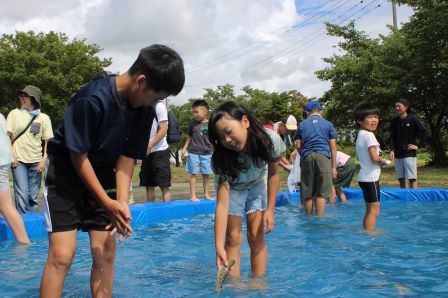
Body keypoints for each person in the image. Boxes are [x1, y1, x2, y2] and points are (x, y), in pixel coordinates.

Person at [39, 44, 185, 297]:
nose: (155, 103)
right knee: (63, 255)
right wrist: (107, 202)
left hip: (105, 171)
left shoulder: (143, 109)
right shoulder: (91, 100)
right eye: (156, 97)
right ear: (141, 81)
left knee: (105, 251)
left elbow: (127, 157)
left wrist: (120, 202)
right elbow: (78, 156)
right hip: (65, 174)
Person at [208, 102, 284, 278]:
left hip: (257, 183)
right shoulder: (222, 158)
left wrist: (270, 210)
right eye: (221, 137)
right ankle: (235, 289)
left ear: (245, 121)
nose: (226, 140)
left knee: (255, 236)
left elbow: (274, 173)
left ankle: (258, 284)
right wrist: (219, 246)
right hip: (234, 188)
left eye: (228, 131)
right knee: (233, 238)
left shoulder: (270, 140)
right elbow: (222, 205)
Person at [6, 85, 53, 213]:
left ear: (34, 98)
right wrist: (12, 156)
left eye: (25, 95)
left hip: (37, 162)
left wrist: (44, 159)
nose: (22, 97)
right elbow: (7, 137)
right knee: (21, 195)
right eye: (21, 95)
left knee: (33, 197)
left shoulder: (43, 118)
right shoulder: (14, 114)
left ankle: (31, 225)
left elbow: (48, 142)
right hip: (18, 161)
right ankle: (22, 223)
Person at [292, 100, 337, 216]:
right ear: (320, 111)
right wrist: (334, 168)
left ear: (306, 112)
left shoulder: (302, 125)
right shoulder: (328, 124)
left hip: (307, 156)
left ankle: (308, 217)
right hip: (323, 156)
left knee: (307, 191)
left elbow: (298, 145)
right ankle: (320, 218)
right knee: (321, 191)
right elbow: (333, 147)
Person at [354, 103, 391, 231]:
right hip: (370, 178)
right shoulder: (369, 135)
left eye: (375, 116)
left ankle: (366, 231)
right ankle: (371, 235)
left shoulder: (360, 135)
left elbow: (360, 157)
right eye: (369, 117)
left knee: (369, 209)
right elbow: (375, 158)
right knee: (375, 210)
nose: (374, 120)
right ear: (360, 120)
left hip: (364, 177)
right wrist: (385, 162)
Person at [0, 113, 30, 244]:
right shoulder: (1, 116)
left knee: (6, 205)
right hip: (2, 161)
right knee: (6, 205)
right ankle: (25, 243)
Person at [389, 98, 427, 188]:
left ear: (406, 107)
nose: (397, 108)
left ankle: (414, 201)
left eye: (399, 106)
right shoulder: (394, 121)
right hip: (397, 154)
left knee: (412, 178)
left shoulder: (413, 119)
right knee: (401, 178)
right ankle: (404, 201)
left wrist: (418, 145)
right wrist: (391, 149)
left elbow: (424, 132)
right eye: (396, 106)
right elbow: (392, 137)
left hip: (409, 154)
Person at [180, 100, 214, 202]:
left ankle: (206, 194)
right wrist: (184, 149)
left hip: (207, 153)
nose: (195, 114)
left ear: (205, 112)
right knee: (194, 174)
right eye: (193, 112)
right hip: (194, 152)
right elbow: (189, 138)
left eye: (196, 112)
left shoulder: (210, 124)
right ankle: (193, 195)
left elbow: (213, 139)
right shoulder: (193, 125)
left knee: (206, 174)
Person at [139, 100, 172, 202]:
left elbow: (163, 129)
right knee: (148, 185)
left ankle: (168, 214)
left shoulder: (159, 106)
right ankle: (150, 211)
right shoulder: (142, 105)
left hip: (160, 151)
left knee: (164, 185)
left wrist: (150, 145)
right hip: (146, 151)